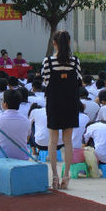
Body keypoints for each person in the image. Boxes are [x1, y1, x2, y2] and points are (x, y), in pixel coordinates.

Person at [40, 30, 82, 190]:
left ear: (54, 43)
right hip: (70, 103)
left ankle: (55, 176)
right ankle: (66, 175)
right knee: (68, 140)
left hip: (54, 103)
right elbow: (78, 81)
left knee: (52, 140)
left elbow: (46, 81)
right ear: (69, 43)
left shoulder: (48, 61)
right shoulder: (75, 61)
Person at [0, 89, 31, 159]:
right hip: (22, 157)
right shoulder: (26, 121)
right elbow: (27, 139)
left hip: (2, 156)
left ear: (5, 104)